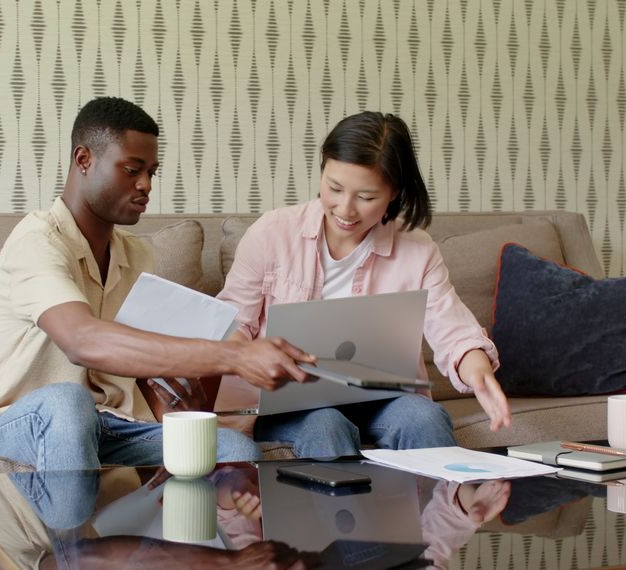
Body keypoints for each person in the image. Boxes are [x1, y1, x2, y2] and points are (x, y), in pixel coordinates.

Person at [0, 97, 316, 471]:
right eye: (132, 169)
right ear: (83, 160)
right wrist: (238, 356)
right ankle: (75, 533)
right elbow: (83, 341)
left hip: (114, 427)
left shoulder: (138, 256)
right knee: (69, 406)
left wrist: (178, 396)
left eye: (152, 172)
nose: (145, 185)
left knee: (230, 449)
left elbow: (146, 386)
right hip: (23, 422)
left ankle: (175, 529)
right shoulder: (35, 242)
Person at [214, 111, 512, 458]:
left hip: (380, 399)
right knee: (326, 424)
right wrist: (246, 354)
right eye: (334, 187)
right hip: (287, 403)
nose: (345, 208)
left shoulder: (416, 249)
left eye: (366, 197)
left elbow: (452, 328)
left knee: (424, 418)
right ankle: (330, 511)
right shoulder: (272, 233)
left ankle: (443, 511)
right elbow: (234, 323)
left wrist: (477, 370)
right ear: (323, 168)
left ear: (393, 192)